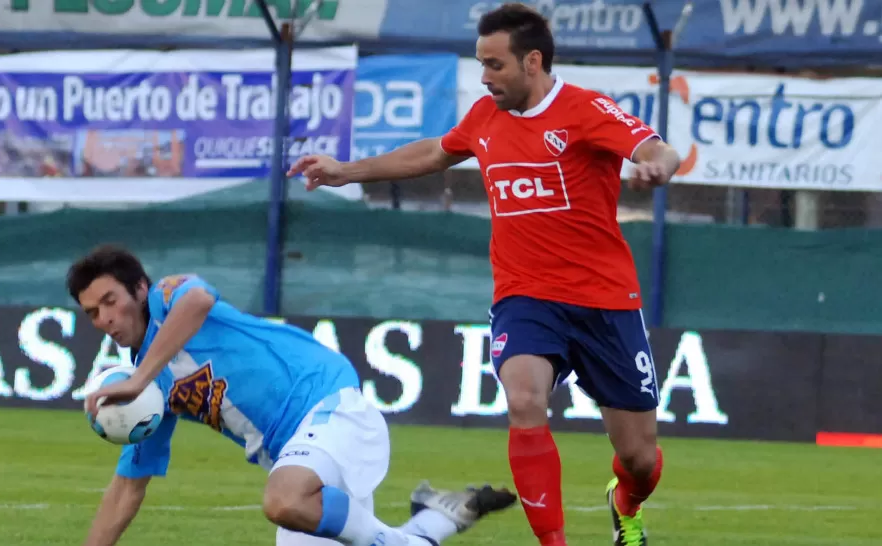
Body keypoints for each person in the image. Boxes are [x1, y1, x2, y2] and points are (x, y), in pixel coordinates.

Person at [287, 4, 680, 546]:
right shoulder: (484, 117)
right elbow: (433, 152)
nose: (484, 77)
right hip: (526, 297)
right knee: (523, 400)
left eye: (495, 65)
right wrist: (346, 170)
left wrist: (659, 165)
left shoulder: (586, 110)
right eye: (481, 63)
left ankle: (625, 502)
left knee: (640, 458)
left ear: (533, 62)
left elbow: (656, 147)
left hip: (605, 299)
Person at [69, 245, 517, 546]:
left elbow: (199, 300)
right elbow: (127, 490)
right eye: (93, 312)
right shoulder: (149, 395)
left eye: (110, 300)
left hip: (327, 404)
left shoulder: (169, 294)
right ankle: (435, 521)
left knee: (282, 501)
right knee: (297, 504)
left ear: (140, 289)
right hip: (298, 456)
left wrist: (136, 377)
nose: (105, 317)